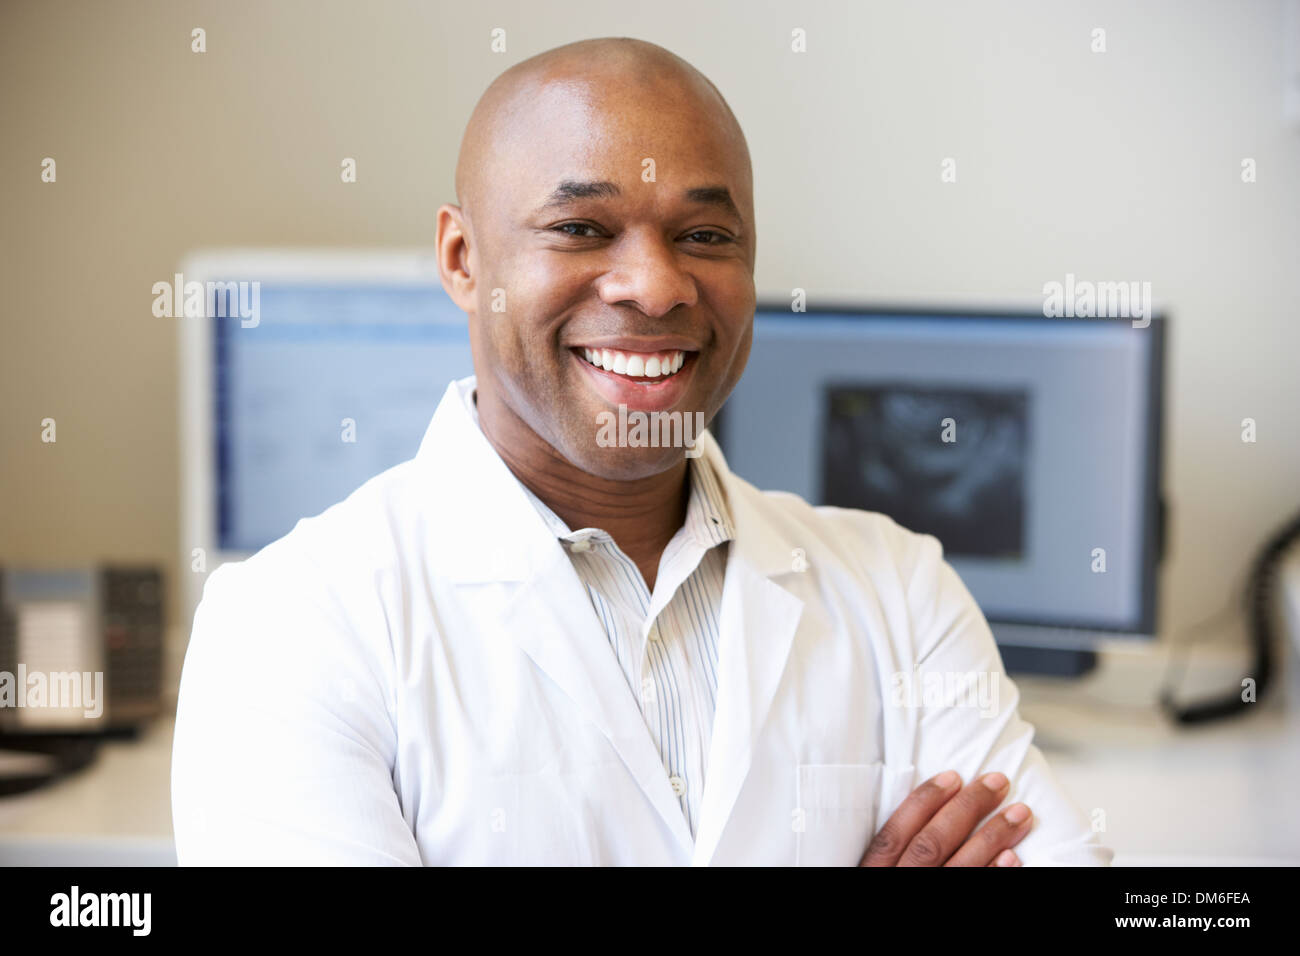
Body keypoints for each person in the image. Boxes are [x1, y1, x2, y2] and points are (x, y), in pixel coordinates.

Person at [171, 36, 1112, 866]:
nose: (658, 287)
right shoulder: (290, 626)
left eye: (704, 235)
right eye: (581, 228)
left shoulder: (898, 591)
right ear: (463, 259)